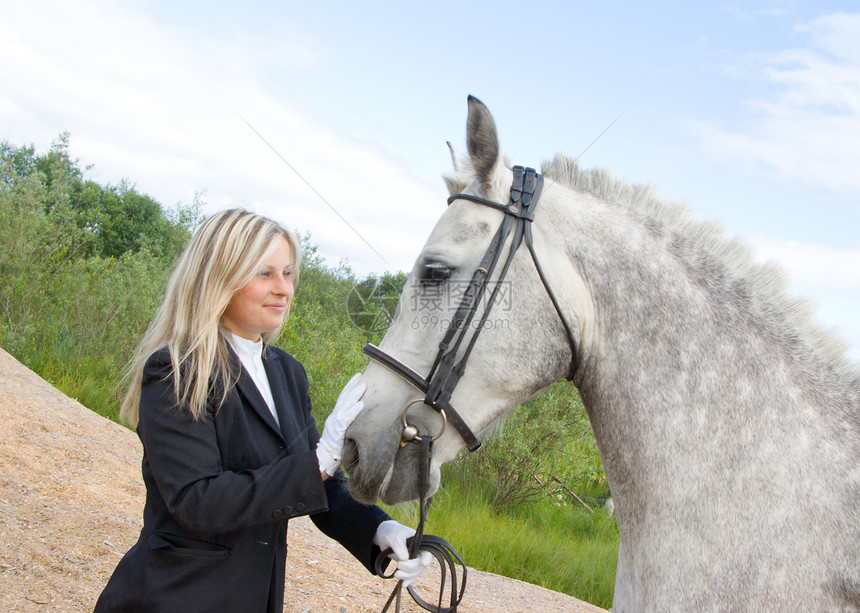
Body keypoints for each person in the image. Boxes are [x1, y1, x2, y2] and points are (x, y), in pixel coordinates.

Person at [95, 208, 431, 612]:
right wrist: (322, 457)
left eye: (287, 273)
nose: (283, 289)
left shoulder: (287, 372)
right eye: (264, 273)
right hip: (173, 598)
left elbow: (320, 487)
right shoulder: (176, 370)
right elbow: (199, 502)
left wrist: (379, 529)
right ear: (219, 278)